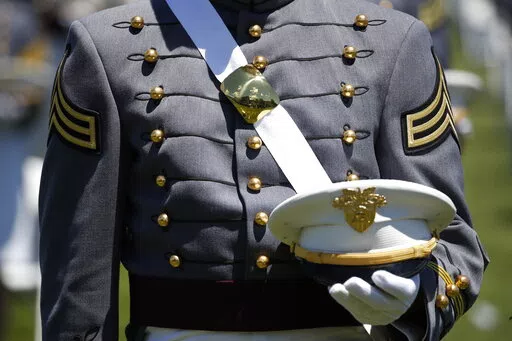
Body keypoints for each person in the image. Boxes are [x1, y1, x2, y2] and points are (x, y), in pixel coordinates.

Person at [38, 0, 489, 340]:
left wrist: (416, 300)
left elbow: (454, 244)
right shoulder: (110, 48)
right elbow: (78, 280)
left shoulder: (392, 42)